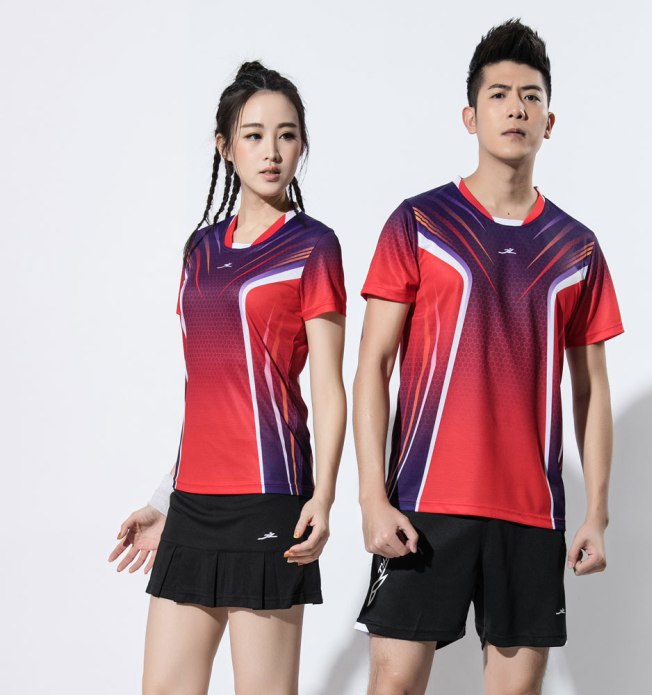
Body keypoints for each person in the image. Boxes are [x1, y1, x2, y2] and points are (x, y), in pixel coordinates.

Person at [353, 19, 623, 695]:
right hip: (423, 502)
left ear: (549, 122)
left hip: (530, 512)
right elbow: (372, 366)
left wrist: (596, 511)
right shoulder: (420, 223)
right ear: (470, 117)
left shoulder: (576, 247)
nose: (515, 109)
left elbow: (590, 390)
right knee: (392, 684)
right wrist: (371, 496)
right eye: (499, 95)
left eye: (530, 97)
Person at [108, 61, 347, 695]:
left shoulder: (314, 247)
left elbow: (328, 388)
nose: (272, 152)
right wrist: (165, 498)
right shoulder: (201, 250)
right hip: (192, 504)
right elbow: (207, 389)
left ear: (302, 145)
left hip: (269, 497)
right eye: (254, 135)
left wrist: (323, 497)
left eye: (287, 135)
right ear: (225, 146)